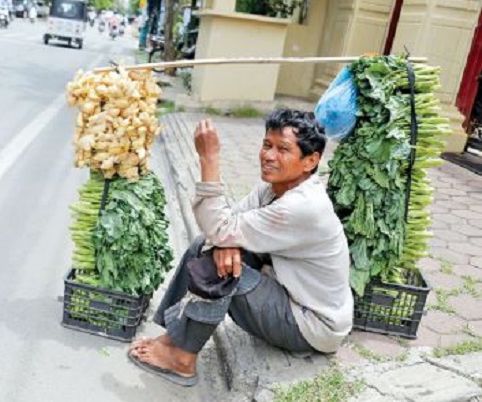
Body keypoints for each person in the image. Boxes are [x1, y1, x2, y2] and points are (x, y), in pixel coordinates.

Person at [128, 109, 353, 387]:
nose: (269, 155)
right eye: (267, 145)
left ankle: (182, 360)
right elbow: (220, 227)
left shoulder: (303, 206)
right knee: (206, 246)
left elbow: (221, 228)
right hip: (288, 293)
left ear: (311, 161)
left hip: (311, 325)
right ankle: (173, 338)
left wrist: (209, 159)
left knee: (220, 267)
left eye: (283, 149)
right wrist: (225, 239)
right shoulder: (273, 189)